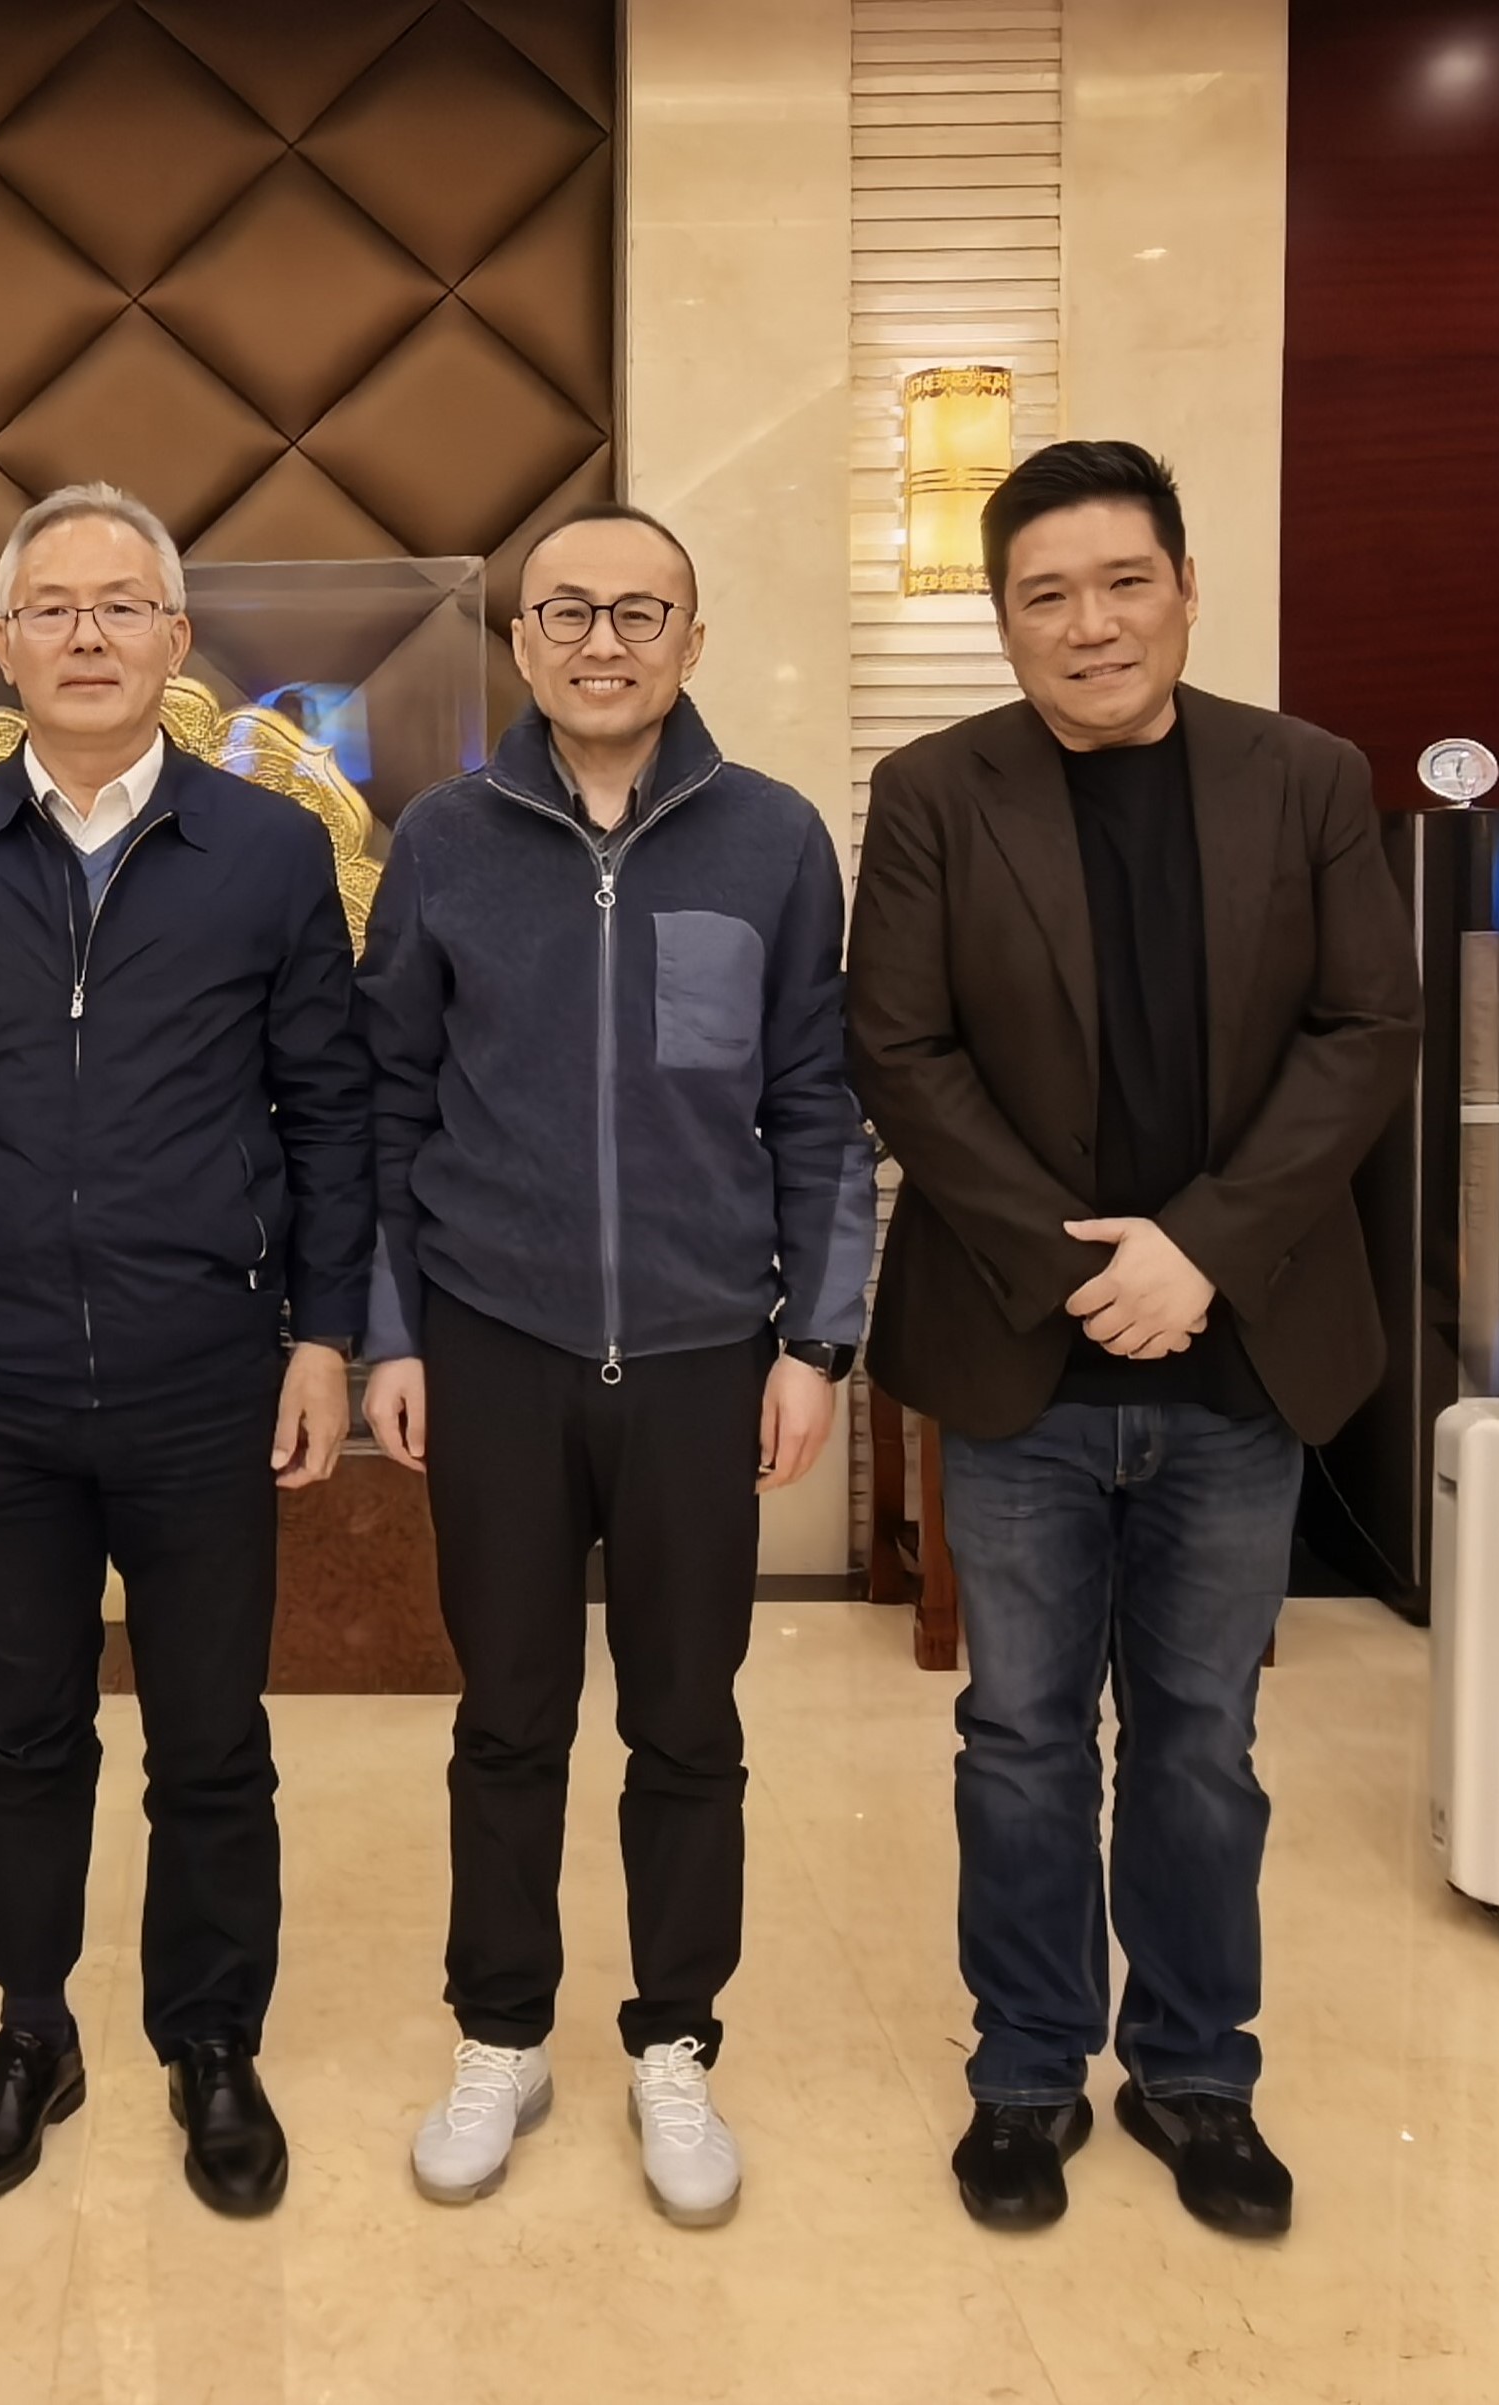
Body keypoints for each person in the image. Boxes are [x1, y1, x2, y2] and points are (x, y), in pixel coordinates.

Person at [849, 440, 1416, 2239]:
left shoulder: (1307, 777)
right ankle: (1026, 2071)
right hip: (1023, 1354)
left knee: (1199, 1741)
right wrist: (1083, 1264)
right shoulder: (934, 790)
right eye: (1046, 594)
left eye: (1122, 583)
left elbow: (1369, 1027)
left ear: (1184, 589)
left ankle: (1194, 2071)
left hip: (1241, 1358)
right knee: (1019, 1735)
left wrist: (1204, 1252)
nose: (1089, 623)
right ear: (1003, 617)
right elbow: (898, 1049)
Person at [0, 482, 369, 2219]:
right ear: (1, 645)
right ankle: (32, 2028)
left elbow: (330, 1113)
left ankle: (210, 2039)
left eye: (121, 605)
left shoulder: (268, 851)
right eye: (51, 608)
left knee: (212, 1736)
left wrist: (328, 1333)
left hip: (206, 1372)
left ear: (176, 639)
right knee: (18, 1730)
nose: (86, 634)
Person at [356, 505, 872, 2228]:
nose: (602, 640)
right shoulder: (444, 838)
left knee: (687, 1717)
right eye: (566, 610)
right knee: (507, 1711)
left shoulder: (774, 837)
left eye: (640, 612)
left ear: (693, 641)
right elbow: (387, 1104)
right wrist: (393, 1329)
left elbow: (815, 1102)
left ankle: (676, 2040)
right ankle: (502, 2031)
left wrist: (817, 1340)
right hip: (493, 1341)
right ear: (520, 641)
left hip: (703, 1348)